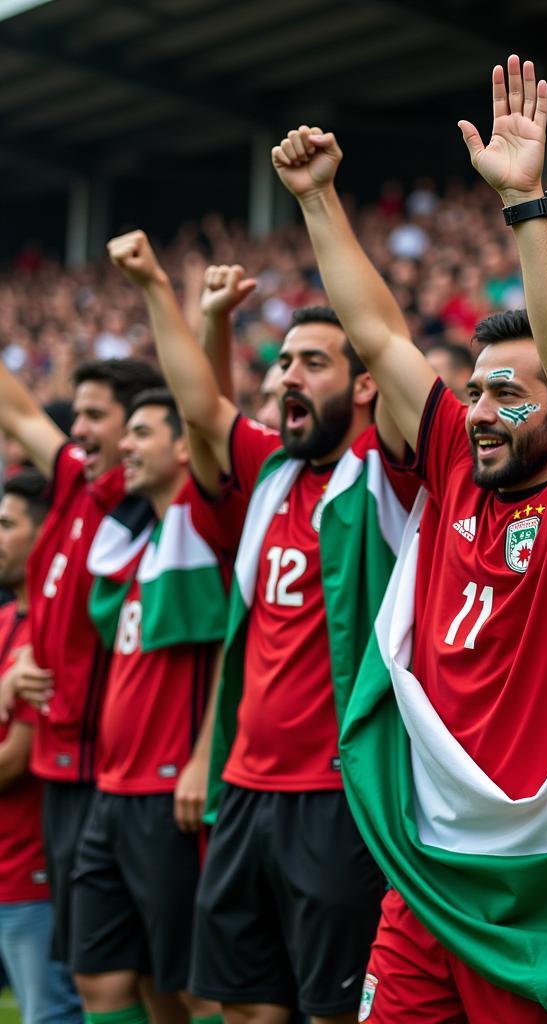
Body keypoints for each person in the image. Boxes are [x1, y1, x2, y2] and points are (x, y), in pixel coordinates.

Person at [272, 52, 547, 1021]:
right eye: (476, 389)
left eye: (509, 393)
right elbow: (378, 335)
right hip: (429, 873)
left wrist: (527, 201)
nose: (482, 410)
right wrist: (319, 199)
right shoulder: (453, 458)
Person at [106, 230, 389, 1024]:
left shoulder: (388, 480)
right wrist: (164, 290)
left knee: (333, 1012)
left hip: (336, 797)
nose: (287, 375)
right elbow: (201, 405)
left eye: (313, 362)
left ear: (366, 386)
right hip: (246, 792)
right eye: (284, 362)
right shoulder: (270, 476)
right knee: (246, 1010)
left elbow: (388, 343)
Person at [68, 390, 226, 1024]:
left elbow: (226, 653)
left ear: (185, 446)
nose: (124, 446)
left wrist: (199, 759)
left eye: (141, 433)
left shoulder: (207, 531)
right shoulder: (135, 538)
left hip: (169, 794)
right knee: (102, 977)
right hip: (110, 792)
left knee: (192, 986)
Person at [0, 356, 162, 971]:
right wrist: (20, 667)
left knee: (148, 972)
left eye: (97, 415)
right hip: (62, 773)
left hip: (111, 774)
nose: (81, 432)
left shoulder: (146, 504)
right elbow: (16, 410)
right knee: (99, 974)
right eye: (80, 415)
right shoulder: (74, 478)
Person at [0, 469, 81, 1024]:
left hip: (30, 871)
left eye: (7, 525)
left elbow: (10, 761)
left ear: (43, 532)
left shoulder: (48, 633)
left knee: (48, 1013)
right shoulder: (6, 618)